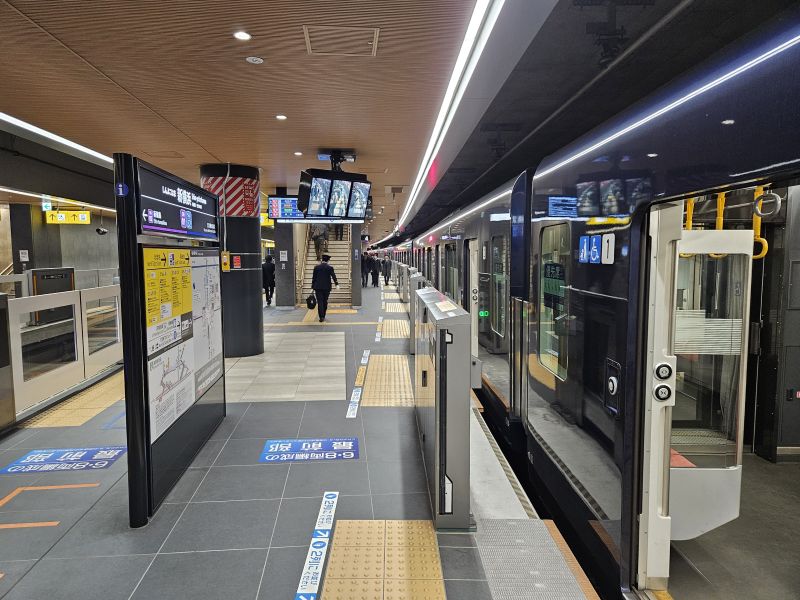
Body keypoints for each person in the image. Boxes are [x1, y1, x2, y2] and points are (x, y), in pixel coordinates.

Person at [311, 254, 339, 322]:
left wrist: (312, 287)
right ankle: (324, 314)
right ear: (328, 260)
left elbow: (314, 278)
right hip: (327, 287)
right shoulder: (330, 268)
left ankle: (321, 317)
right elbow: (333, 276)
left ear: (322, 260)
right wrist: (336, 284)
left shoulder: (316, 267)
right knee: (325, 301)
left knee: (320, 302)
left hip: (318, 287)